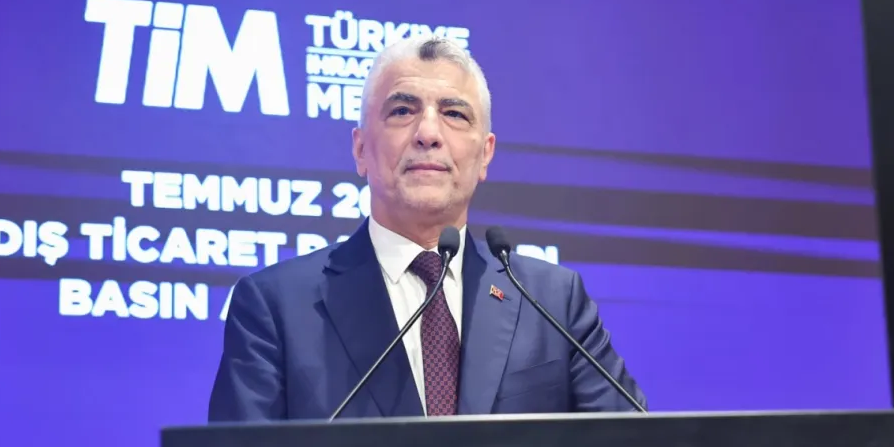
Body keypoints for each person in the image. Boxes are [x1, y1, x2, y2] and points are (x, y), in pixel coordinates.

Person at [207, 35, 645, 420]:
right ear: (360, 149)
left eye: (455, 114)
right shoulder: (276, 307)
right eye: (402, 110)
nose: (428, 133)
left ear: (486, 154)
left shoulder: (552, 301)